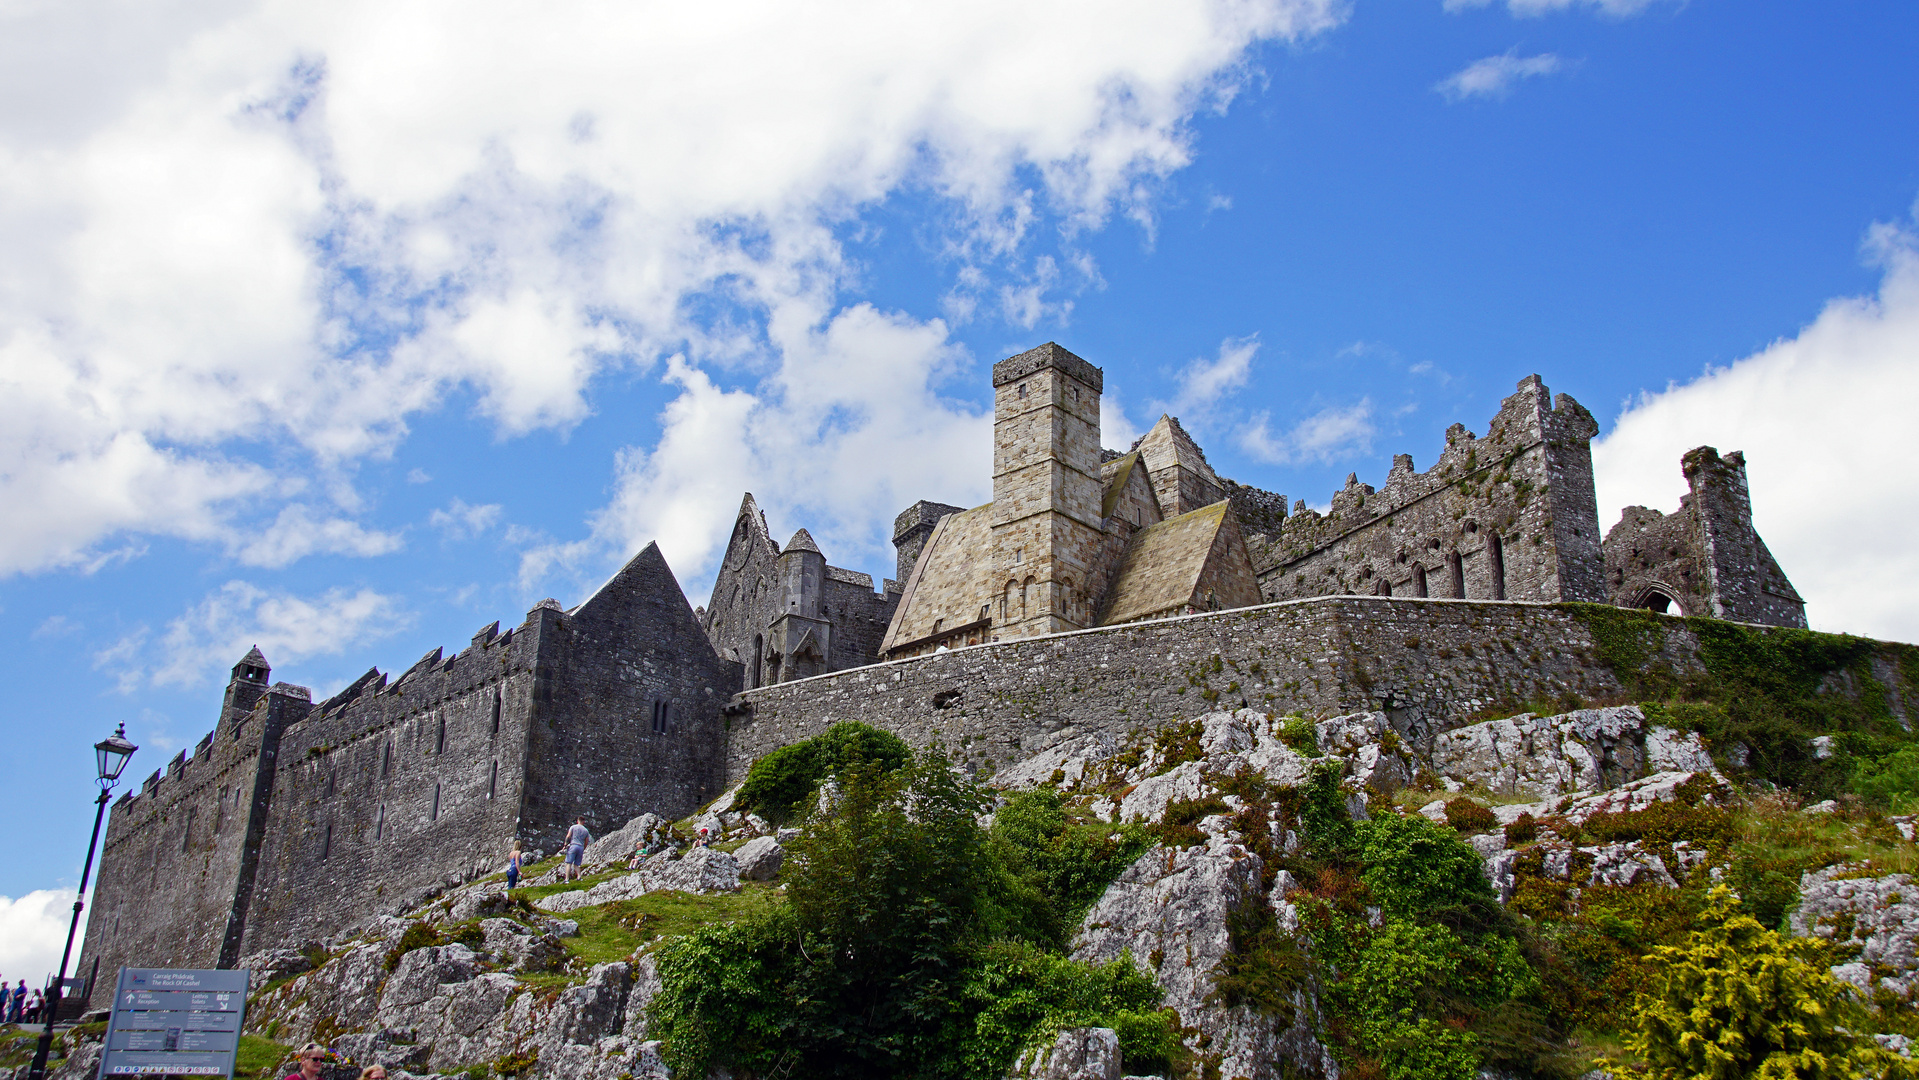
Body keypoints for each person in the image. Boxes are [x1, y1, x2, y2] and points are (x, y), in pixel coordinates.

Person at [563, 817, 591, 882]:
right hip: (581, 847)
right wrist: (584, 848)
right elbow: (586, 841)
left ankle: (567, 879)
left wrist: (565, 844)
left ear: (578, 821)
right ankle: (579, 877)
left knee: (569, 863)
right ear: (584, 822)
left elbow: (568, 836)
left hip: (573, 845)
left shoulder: (573, 827)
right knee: (577, 864)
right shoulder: (586, 830)